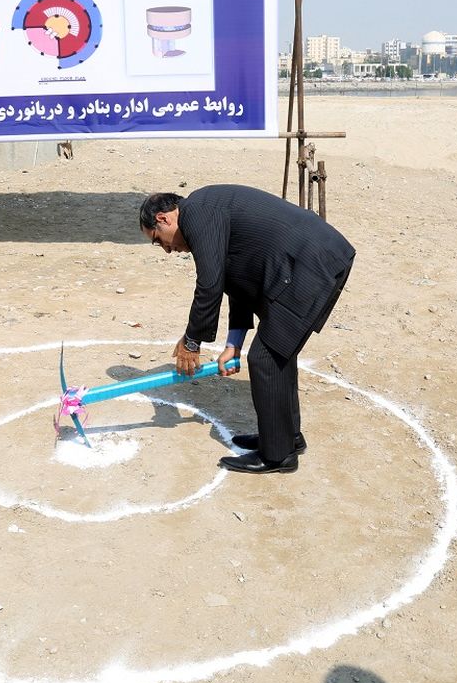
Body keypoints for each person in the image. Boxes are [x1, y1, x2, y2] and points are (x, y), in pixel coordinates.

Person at [139, 184, 355, 474]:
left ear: (164, 218)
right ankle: (286, 438)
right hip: (312, 260)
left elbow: (210, 283)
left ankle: (278, 456)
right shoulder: (205, 212)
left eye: (158, 240)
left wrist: (192, 341)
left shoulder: (196, 213)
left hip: (312, 262)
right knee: (279, 352)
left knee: (265, 358)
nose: (166, 250)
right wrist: (233, 343)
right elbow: (234, 279)